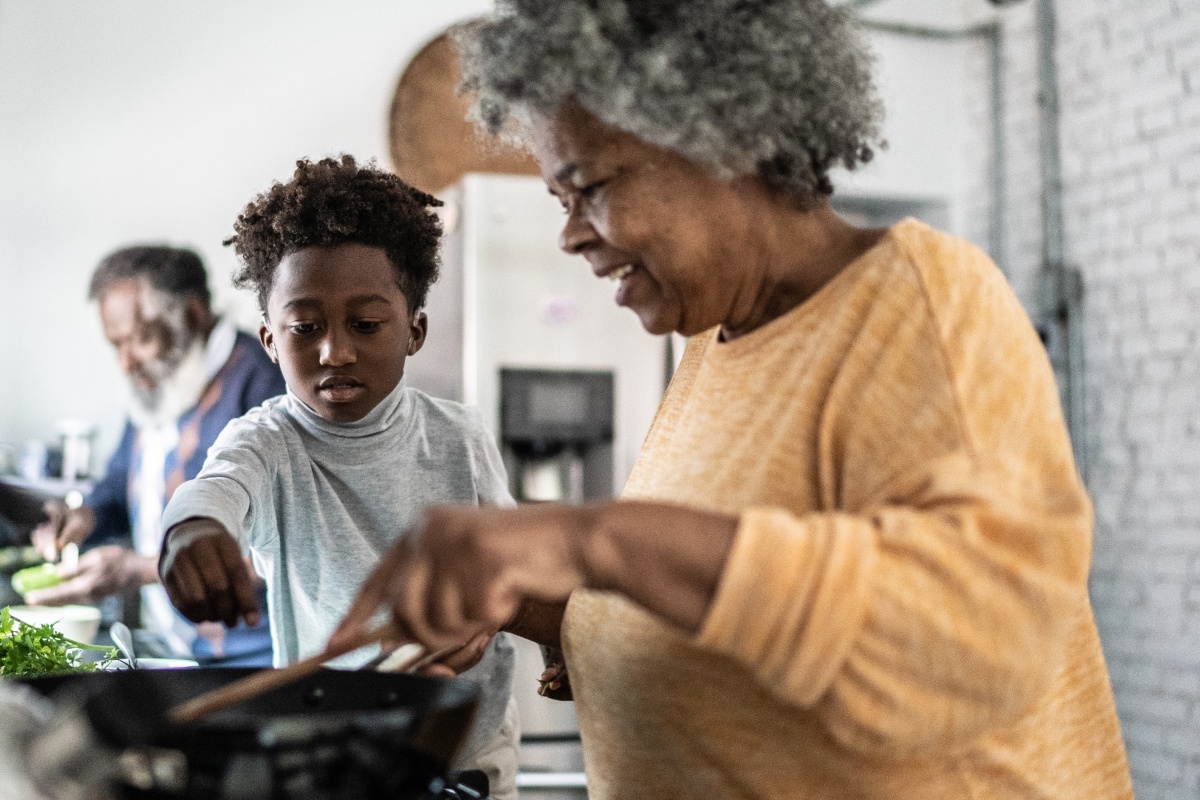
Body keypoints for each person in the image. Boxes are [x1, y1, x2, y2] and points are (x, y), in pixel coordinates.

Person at [331, 1, 1136, 798]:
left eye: (590, 187)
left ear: (727, 137)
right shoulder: (713, 346)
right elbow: (712, 605)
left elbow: (973, 644)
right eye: (559, 201)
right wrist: (519, 597)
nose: (571, 234)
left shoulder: (924, 302)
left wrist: (587, 538)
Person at [156, 156, 520, 798]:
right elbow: (212, 492)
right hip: (335, 764)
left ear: (414, 330)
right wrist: (191, 532)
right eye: (305, 328)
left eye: (366, 324)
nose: (335, 351)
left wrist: (523, 628)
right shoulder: (266, 442)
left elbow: (517, 567)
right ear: (269, 340)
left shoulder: (460, 437)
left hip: (471, 757)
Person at [28, 245, 280, 667]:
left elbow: (284, 544)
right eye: (116, 346)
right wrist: (83, 516)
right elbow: (119, 480)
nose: (126, 363)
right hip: (175, 647)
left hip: (253, 659)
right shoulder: (159, 383)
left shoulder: (262, 386)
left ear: (194, 315)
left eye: (140, 339)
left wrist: (138, 570)